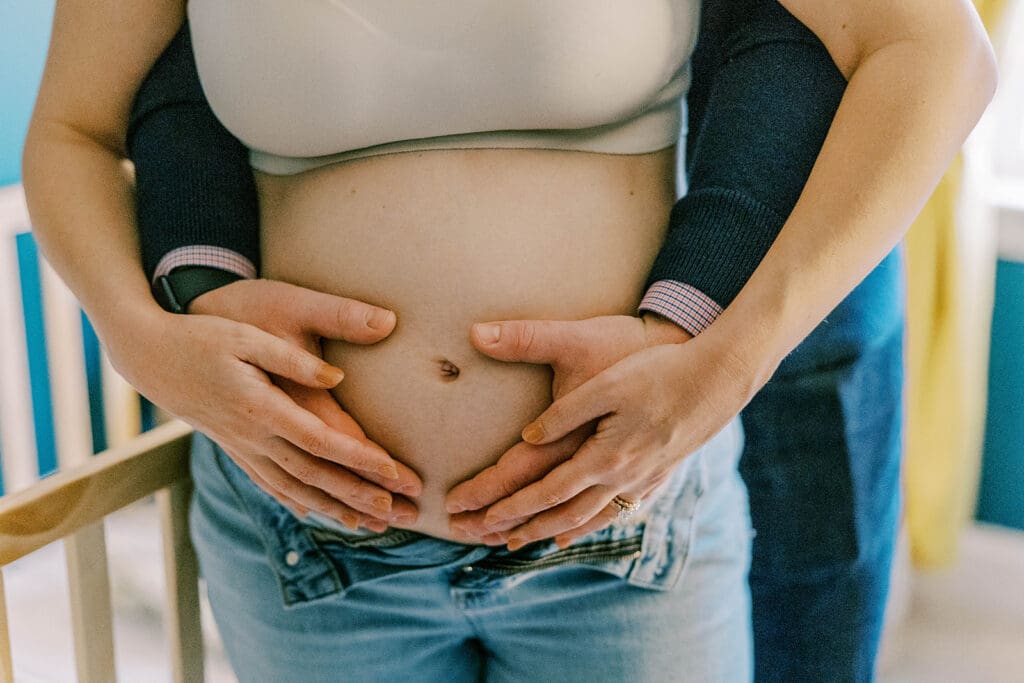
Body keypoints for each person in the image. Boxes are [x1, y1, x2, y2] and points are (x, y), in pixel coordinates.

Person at [21, 1, 995, 681]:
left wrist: (730, 362)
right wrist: (142, 339)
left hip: (621, 521)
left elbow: (937, 56)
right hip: (302, 527)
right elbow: (71, 127)